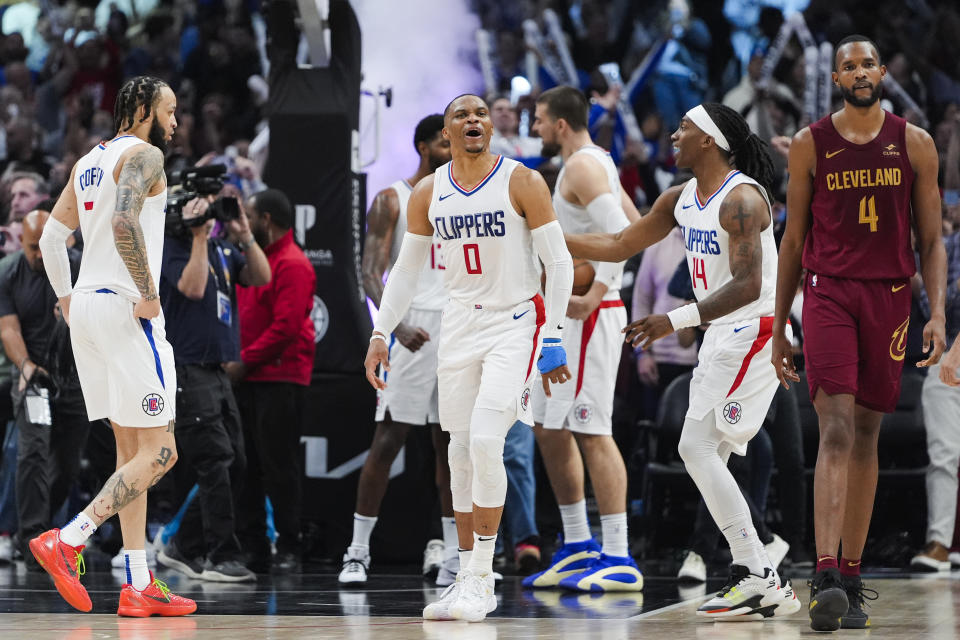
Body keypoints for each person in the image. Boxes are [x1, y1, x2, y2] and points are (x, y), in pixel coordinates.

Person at [566, 101, 802, 621]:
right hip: (721, 334)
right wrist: (548, 237)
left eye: (685, 128)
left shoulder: (741, 199)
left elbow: (749, 285)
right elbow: (620, 242)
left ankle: (756, 571)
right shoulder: (680, 198)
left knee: (695, 445)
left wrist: (670, 321)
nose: (673, 135)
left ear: (710, 141)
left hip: (753, 330)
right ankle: (758, 571)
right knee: (703, 450)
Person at [363, 94, 573, 622]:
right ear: (447, 132)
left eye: (481, 113)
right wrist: (380, 332)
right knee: (457, 451)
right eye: (463, 115)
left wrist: (552, 336)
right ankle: (463, 575)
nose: (475, 120)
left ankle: (482, 575)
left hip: (515, 322)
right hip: (458, 323)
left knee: (484, 440)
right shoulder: (428, 193)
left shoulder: (522, 181)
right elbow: (405, 273)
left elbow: (559, 263)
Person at [771, 35, 947, 632]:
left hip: (892, 297)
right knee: (837, 426)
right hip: (828, 293)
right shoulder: (809, 144)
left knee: (868, 431)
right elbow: (791, 241)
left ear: (880, 72)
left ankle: (850, 572)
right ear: (837, 80)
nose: (860, 71)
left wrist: (939, 313)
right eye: (848, 65)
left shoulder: (915, 143)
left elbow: (931, 240)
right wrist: (778, 326)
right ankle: (823, 571)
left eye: (869, 62)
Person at [32, 75, 196, 616]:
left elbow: (53, 239)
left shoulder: (88, 161)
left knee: (133, 456)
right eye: (171, 111)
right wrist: (149, 294)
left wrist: (65, 300)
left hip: (88, 310)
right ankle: (71, 538)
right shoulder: (145, 155)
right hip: (128, 308)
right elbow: (126, 220)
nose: (176, 122)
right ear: (147, 109)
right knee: (163, 451)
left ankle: (138, 579)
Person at [521, 85, 642, 593]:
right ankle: (576, 544)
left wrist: (598, 292)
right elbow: (639, 222)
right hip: (566, 315)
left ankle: (617, 553)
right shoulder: (588, 165)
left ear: (562, 125)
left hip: (590, 316)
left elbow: (626, 238)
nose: (535, 129)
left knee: (592, 430)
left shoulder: (583, 167)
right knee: (550, 426)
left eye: (540, 120)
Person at [339, 114, 457, 586]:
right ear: (424, 145)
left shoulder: (463, 198)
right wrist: (396, 326)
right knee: (388, 440)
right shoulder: (392, 198)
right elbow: (369, 272)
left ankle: (453, 555)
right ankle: (357, 552)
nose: (454, 151)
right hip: (412, 329)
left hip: (458, 327)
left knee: (452, 446)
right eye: (445, 144)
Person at [155, 189, 270, 583]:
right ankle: (219, 555)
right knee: (215, 461)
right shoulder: (169, 247)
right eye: (199, 203)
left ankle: (182, 546)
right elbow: (192, 288)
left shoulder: (223, 247)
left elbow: (261, 276)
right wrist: (198, 236)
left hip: (218, 371)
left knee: (233, 460)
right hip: (187, 369)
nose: (208, 212)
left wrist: (244, 234)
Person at [228, 188, 315, 574]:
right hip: (250, 375)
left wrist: (243, 362)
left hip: (278, 377)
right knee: (247, 466)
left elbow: (286, 327)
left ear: (265, 220)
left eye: (249, 215)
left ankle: (290, 546)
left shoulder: (293, 264)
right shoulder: (257, 261)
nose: (243, 222)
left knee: (279, 466)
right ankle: (255, 546)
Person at [0, 206, 88, 570]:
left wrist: (74, 317)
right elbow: (8, 328)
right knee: (32, 454)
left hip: (76, 378)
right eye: (32, 247)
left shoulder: (80, 268)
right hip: (33, 376)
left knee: (67, 466)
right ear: (21, 241)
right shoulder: (8, 273)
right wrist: (25, 366)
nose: (38, 255)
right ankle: (33, 538)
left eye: (43, 247)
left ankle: (45, 532)